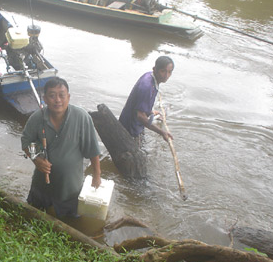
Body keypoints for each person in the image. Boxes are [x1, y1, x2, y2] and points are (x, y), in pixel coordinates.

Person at [21, 77, 101, 218]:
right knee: (32, 218)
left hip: (69, 189)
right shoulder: (36, 118)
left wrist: (97, 175)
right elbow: (27, 141)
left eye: (61, 95)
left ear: (68, 97)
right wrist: (36, 158)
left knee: (69, 224)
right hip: (41, 185)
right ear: (45, 98)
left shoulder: (82, 117)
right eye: (52, 96)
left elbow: (93, 149)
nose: (57, 100)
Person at [119, 56, 174, 142]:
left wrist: (150, 112)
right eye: (163, 71)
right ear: (154, 69)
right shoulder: (147, 86)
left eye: (169, 72)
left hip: (134, 125)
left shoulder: (151, 78)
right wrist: (162, 132)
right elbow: (140, 116)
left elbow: (140, 103)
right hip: (130, 130)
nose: (166, 76)